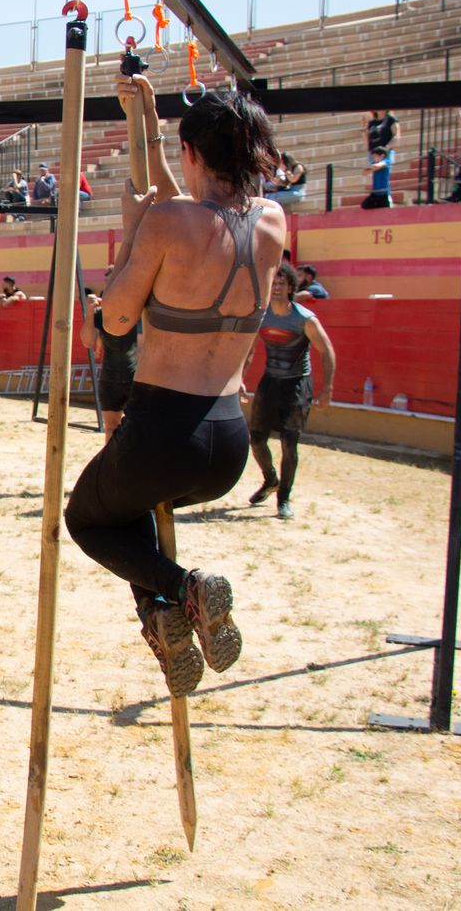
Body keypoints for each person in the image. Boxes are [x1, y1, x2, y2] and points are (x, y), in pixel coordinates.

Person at [63, 69, 285, 699]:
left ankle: (183, 589)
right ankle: (162, 617)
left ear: (192, 153)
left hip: (161, 431)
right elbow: (197, 208)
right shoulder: (271, 221)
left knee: (89, 520)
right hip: (226, 442)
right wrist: (149, 124)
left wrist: (133, 231)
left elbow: (117, 319)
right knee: (125, 510)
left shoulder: (166, 223)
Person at [244, 262, 336, 521]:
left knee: (289, 444)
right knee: (257, 439)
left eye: (281, 284)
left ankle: (283, 498)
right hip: (270, 382)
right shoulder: (262, 316)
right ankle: (271, 479)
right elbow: (249, 351)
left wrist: (326, 388)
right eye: (273, 283)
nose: (276, 288)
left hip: (297, 385)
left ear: (291, 287)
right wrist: (239, 378)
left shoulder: (304, 318)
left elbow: (326, 351)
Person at [79, 275, 141, 441]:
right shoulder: (101, 313)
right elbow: (87, 341)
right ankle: (112, 466)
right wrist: (90, 313)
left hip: (135, 378)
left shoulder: (138, 310)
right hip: (110, 377)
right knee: (111, 429)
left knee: (135, 429)